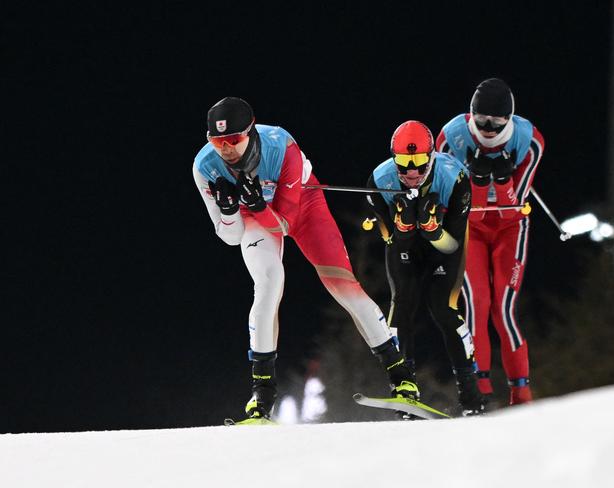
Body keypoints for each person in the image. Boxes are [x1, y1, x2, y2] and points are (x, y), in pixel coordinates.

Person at [193, 97, 419, 421]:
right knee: (269, 284)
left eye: (234, 140)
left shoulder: (281, 146)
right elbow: (229, 237)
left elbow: (286, 221)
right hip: (254, 215)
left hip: (302, 204)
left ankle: (403, 380)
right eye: (218, 142)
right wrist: (229, 211)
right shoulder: (204, 167)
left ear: (251, 132)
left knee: (345, 287)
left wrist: (258, 206)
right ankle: (261, 397)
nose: (226, 149)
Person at [436, 78, 545, 405]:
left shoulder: (530, 141)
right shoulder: (450, 139)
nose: (487, 129)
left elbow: (514, 208)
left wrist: (502, 180)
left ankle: (520, 391)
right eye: (480, 120)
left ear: (509, 120)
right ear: (470, 115)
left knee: (503, 308)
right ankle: (478, 390)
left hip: (510, 228)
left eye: (496, 123)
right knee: (476, 304)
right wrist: (480, 184)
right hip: (471, 225)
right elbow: (465, 209)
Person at [365, 120, 485, 416]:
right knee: (402, 302)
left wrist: (433, 231)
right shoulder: (378, 180)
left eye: (419, 164)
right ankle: (403, 386)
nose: (412, 174)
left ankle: (470, 393)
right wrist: (404, 228)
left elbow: (453, 245)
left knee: (443, 308)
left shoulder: (455, 177)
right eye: (404, 166)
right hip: (405, 249)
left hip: (442, 249)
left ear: (431, 156)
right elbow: (390, 239)